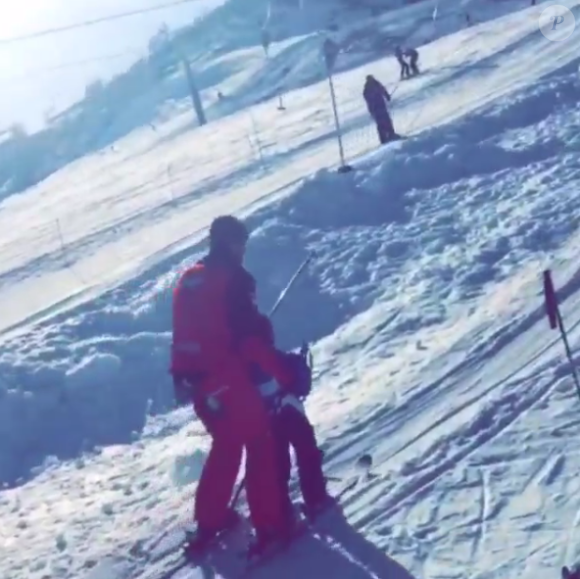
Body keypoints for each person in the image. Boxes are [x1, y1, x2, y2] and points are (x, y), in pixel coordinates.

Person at [171, 215, 299, 557]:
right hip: (229, 380)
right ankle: (270, 526)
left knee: (227, 443)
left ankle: (210, 520)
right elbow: (249, 343)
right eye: (241, 242)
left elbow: (184, 338)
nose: (244, 249)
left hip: (197, 385)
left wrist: (183, 379)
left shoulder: (190, 278)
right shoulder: (235, 280)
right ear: (230, 243)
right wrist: (285, 371)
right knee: (261, 443)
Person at [260, 344, 334, 522]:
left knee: (277, 456)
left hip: (262, 410)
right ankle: (315, 497)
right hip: (282, 403)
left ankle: (279, 508)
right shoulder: (253, 334)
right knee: (305, 447)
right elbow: (271, 363)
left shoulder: (230, 342)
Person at [363, 74, 401, 145]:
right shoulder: (367, 89)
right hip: (375, 108)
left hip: (381, 105)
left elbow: (382, 90)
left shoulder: (376, 84)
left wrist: (387, 96)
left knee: (386, 120)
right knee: (380, 123)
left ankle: (391, 134)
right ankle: (384, 138)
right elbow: (368, 98)